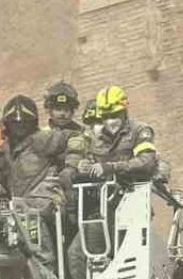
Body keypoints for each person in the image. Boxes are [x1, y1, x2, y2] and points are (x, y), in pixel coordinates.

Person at [64, 86, 159, 277]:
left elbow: (147, 162)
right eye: (106, 117)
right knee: (75, 254)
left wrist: (111, 167)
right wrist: (84, 166)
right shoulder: (97, 140)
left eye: (115, 115)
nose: (111, 121)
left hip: (133, 207)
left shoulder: (140, 131)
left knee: (128, 260)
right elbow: (91, 164)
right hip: (102, 209)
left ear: (124, 111)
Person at [0, 95, 70, 276]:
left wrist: (70, 169)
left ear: (33, 122)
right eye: (15, 123)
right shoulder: (4, 151)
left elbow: (75, 140)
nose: (19, 127)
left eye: (24, 123)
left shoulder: (43, 139)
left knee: (25, 211)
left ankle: (45, 270)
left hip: (48, 200)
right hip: (18, 207)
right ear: (7, 124)